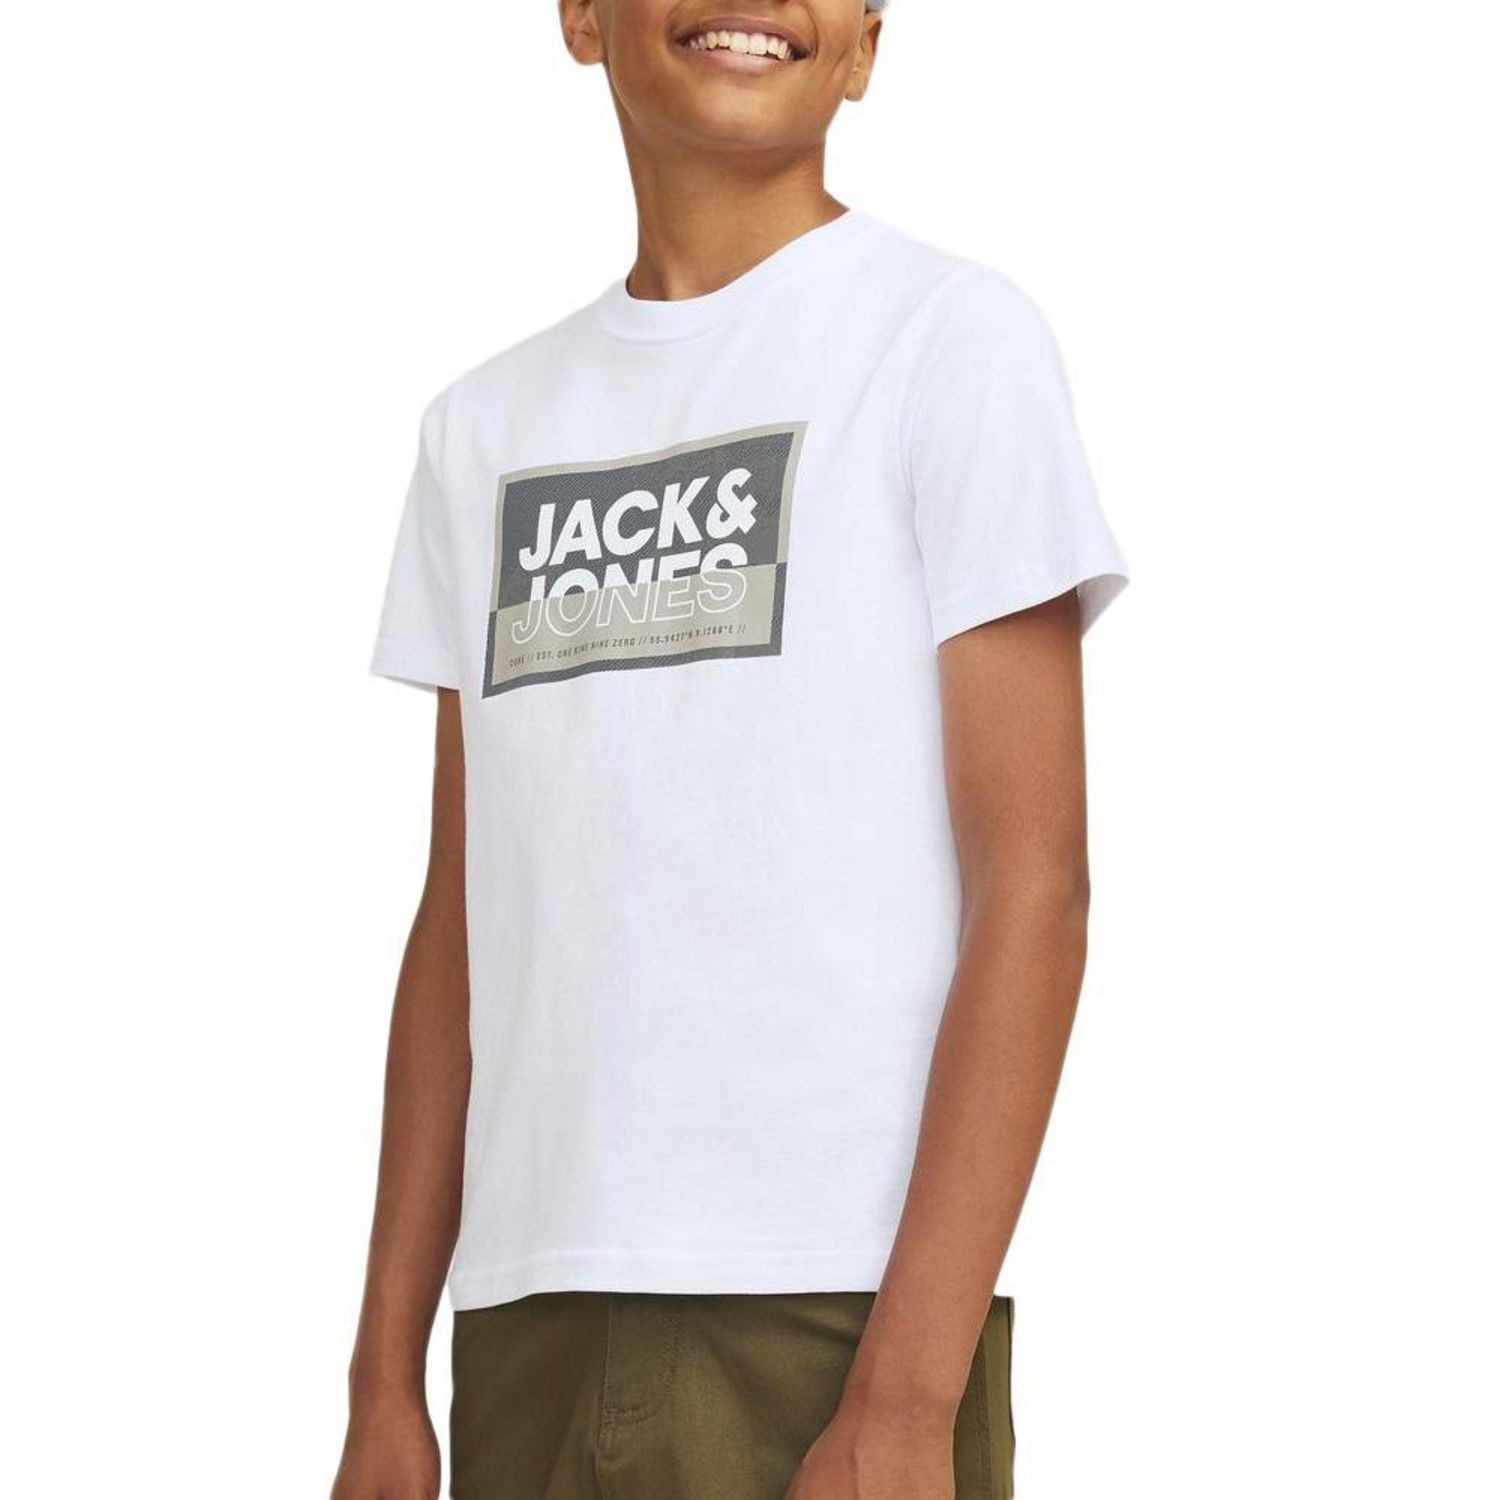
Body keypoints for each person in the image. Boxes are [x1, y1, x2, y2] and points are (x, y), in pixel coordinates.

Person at [333, 2, 1128, 1496]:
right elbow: (461, 922)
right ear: (583, 16)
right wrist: (385, 1373)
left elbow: (1038, 887)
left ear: (867, 44)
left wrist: (906, 1395)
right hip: (526, 1319)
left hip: (837, 1313)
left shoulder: (948, 341)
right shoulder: (479, 428)